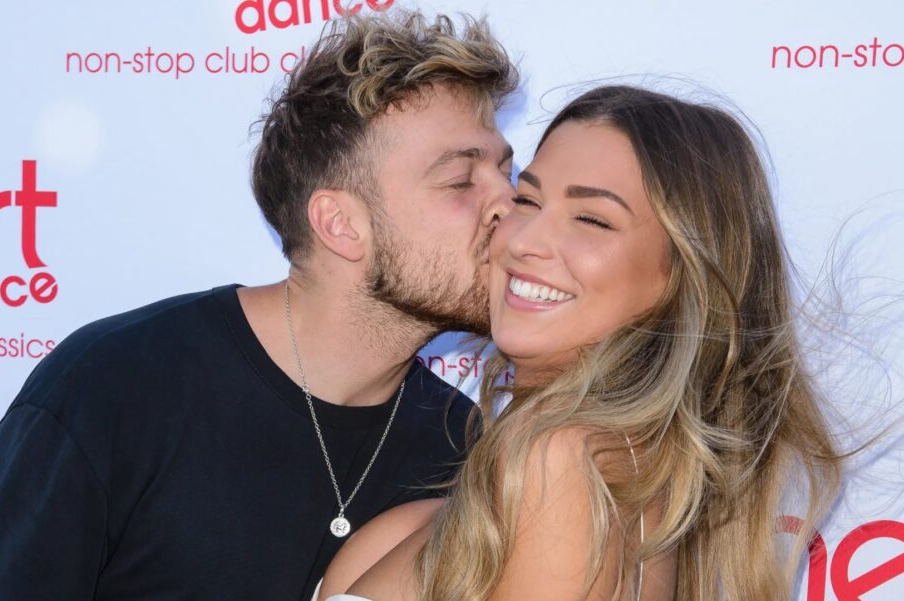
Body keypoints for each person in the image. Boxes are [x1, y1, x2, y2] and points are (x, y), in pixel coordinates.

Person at [0, 12, 518, 601]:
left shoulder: (464, 449)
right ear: (340, 224)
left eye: (506, 171)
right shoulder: (116, 385)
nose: (508, 204)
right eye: (461, 181)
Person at [319, 85, 844, 601]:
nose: (522, 241)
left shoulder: (562, 459)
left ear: (685, 276)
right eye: (527, 200)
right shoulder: (488, 497)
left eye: (591, 220)